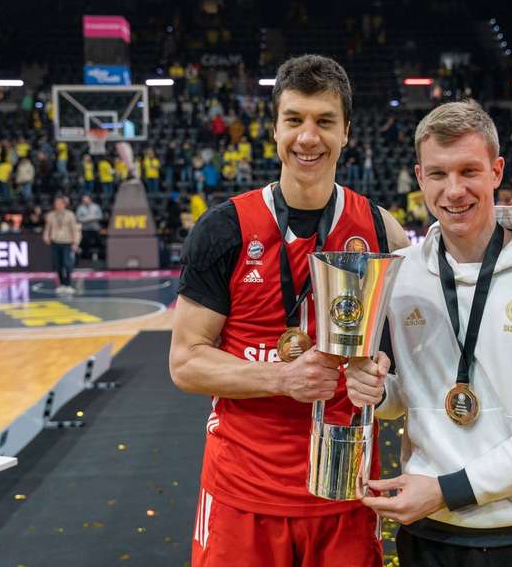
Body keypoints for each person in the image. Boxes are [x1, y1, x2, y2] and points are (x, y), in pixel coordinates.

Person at [168, 55, 410, 567]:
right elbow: (186, 362)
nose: (308, 137)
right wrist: (283, 378)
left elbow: (401, 355)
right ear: (274, 129)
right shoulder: (223, 228)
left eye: (324, 121)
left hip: (345, 487)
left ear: (346, 132)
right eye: (295, 119)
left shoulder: (382, 231)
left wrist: (382, 376)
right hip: (242, 491)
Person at [347, 100, 512, 566]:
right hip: (434, 540)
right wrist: (367, 384)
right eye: (438, 174)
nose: (454, 191)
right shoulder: (399, 275)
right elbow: (392, 402)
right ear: (419, 177)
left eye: (469, 170)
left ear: (497, 171)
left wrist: (448, 490)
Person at [42, 194, 81, 294]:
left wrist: (75, 242)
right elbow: (47, 228)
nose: (57, 205)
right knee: (57, 264)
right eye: (56, 203)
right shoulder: (50, 215)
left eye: (59, 203)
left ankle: (68, 284)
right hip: (55, 242)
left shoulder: (70, 215)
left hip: (67, 242)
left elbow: (74, 229)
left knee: (67, 264)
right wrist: (46, 236)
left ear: (64, 204)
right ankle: (61, 284)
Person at [76, 195, 103, 262]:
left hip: (95, 228)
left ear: (90, 200)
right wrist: (87, 219)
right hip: (85, 229)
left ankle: (101, 256)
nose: (86, 202)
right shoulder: (80, 208)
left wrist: (93, 218)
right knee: (84, 242)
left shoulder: (96, 206)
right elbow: (78, 218)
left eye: (87, 200)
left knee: (99, 242)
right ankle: (85, 257)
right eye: (84, 200)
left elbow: (100, 216)